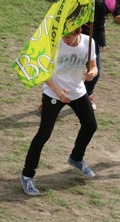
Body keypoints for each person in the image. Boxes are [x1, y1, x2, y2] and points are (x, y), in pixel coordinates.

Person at [21, 27, 98, 196]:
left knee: (90, 125)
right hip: (54, 93)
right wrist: (57, 91)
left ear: (78, 33)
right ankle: (27, 175)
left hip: (77, 91)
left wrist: (91, 73)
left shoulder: (88, 41)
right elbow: (42, 72)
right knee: (44, 133)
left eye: (68, 37)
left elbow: (93, 67)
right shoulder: (55, 44)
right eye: (63, 37)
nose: (65, 40)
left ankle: (76, 158)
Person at [82, 0, 117, 110]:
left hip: (91, 34)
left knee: (94, 70)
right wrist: (101, 39)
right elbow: (100, 16)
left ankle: (85, 95)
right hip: (84, 32)